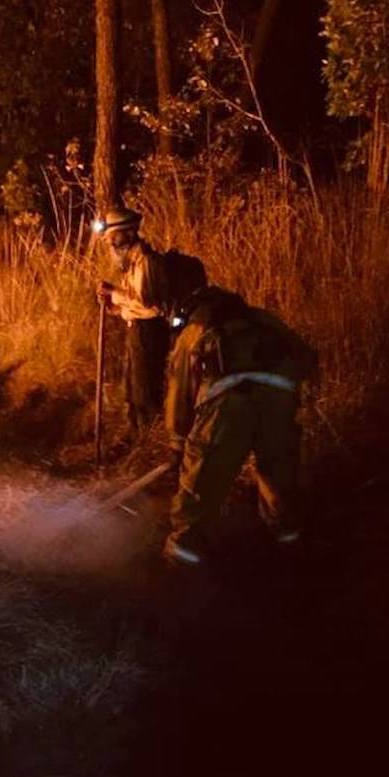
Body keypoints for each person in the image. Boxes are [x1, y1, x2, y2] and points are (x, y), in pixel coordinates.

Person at [163, 284, 318, 565]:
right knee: (279, 476)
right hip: (278, 401)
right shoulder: (263, 319)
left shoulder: (195, 330)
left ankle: (181, 562)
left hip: (227, 406)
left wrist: (177, 441)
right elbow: (307, 358)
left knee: (199, 487)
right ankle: (289, 548)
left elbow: (179, 392)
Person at [96, 205, 170, 438]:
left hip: (149, 331)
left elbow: (149, 305)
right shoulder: (131, 262)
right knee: (132, 388)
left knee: (145, 391)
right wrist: (114, 307)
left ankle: (149, 440)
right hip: (137, 328)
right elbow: (133, 302)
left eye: (112, 236)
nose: (109, 242)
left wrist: (113, 293)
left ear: (128, 232)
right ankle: (135, 436)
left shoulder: (146, 261)